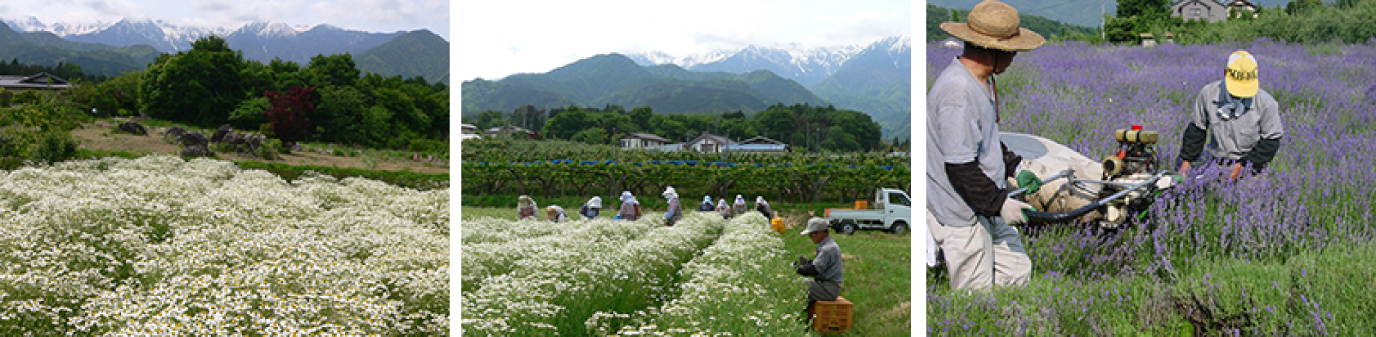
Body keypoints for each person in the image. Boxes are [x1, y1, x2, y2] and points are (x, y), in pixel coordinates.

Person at [925, 0, 1043, 291]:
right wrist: (1001, 203)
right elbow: (959, 166)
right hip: (961, 212)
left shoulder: (981, 81)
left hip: (984, 201)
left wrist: (1014, 167)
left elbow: (983, 138)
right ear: (992, 49)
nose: (1015, 56)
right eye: (1012, 50)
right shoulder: (958, 92)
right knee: (974, 294)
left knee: (1016, 272)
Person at [1178, 50, 1284, 182]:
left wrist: (1242, 166)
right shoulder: (1208, 94)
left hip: (1252, 167)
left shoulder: (1267, 104)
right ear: (1225, 73)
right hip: (1217, 164)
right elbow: (1197, 130)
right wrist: (1186, 162)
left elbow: (1270, 142)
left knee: (1249, 199)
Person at [795, 217, 843, 325]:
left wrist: (796, 268)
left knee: (798, 284)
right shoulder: (827, 246)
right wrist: (807, 262)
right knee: (801, 283)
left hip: (828, 289)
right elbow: (820, 266)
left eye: (812, 234)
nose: (810, 237)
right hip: (827, 287)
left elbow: (815, 270)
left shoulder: (828, 249)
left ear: (820, 232)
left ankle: (797, 318)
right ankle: (804, 316)